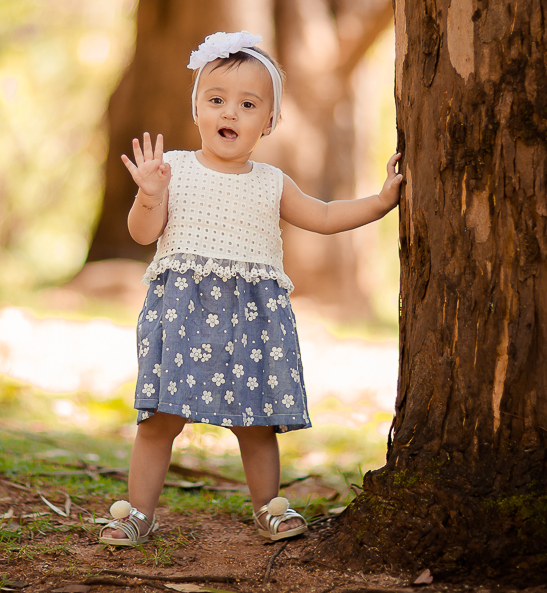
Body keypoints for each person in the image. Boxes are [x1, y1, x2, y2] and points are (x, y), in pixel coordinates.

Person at [99, 30, 402, 546]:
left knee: (256, 421)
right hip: (183, 313)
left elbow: (325, 216)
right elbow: (143, 234)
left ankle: (269, 508)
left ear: (270, 120)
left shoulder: (271, 181)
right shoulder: (173, 171)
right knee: (159, 420)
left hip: (251, 317)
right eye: (215, 100)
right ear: (196, 108)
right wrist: (149, 195)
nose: (229, 114)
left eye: (247, 104)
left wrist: (378, 202)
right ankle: (138, 515)